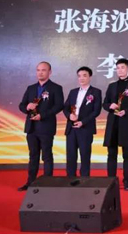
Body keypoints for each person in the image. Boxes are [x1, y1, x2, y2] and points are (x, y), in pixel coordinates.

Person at [17, 61, 64, 191]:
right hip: (31, 127)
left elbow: (59, 106)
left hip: (46, 127)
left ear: (50, 72)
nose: (40, 73)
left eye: (43, 70)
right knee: (33, 156)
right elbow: (21, 105)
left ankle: (47, 184)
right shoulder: (31, 88)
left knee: (47, 156)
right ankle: (30, 182)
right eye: (38, 70)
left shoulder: (56, 88)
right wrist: (27, 107)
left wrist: (42, 115)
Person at [102, 58, 128, 191]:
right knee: (111, 153)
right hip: (113, 123)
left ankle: (127, 181)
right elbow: (105, 104)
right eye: (118, 68)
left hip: (127, 122)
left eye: (123, 67)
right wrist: (110, 106)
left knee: (127, 153)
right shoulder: (112, 86)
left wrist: (126, 111)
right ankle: (111, 181)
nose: (120, 70)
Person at [63, 66, 102, 178]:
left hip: (85, 128)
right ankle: (70, 178)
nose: (81, 78)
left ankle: (84, 179)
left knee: (85, 155)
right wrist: (69, 115)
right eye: (79, 76)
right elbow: (65, 107)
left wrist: (83, 122)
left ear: (90, 77)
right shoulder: (73, 92)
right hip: (71, 128)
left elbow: (96, 111)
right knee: (71, 155)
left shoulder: (96, 92)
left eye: (84, 75)